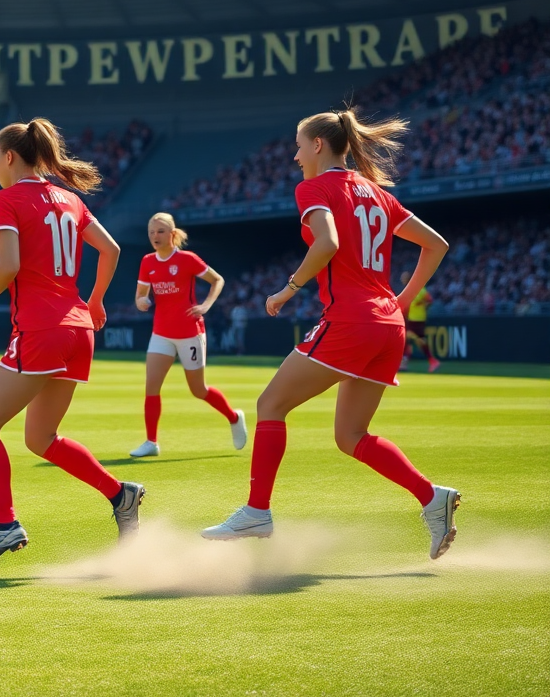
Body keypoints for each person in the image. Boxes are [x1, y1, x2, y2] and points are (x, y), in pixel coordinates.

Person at [202, 108, 460, 560]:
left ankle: (257, 511)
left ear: (318, 145)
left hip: (352, 321)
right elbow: (436, 244)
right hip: (388, 326)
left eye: (299, 144)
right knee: (351, 435)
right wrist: (401, 300)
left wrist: (287, 289)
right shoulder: (376, 193)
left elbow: (327, 244)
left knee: (270, 405)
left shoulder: (314, 188)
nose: (295, 154)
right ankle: (431, 497)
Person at [0, 117, 143, 569]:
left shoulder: (4, 199)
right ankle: (121, 495)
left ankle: (5, 523)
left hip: (41, 329)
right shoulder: (69, 200)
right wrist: (96, 301)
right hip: (78, 329)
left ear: (8, 157)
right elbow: (113, 249)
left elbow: (9, 265)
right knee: (42, 439)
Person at [130, 213, 247, 457]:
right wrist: (141, 301)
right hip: (161, 333)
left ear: (172, 234)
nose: (155, 236)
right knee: (151, 386)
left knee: (198, 390)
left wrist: (206, 306)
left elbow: (217, 280)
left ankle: (234, 417)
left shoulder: (187, 259)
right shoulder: (147, 261)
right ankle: (151, 442)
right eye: (151, 232)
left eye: (160, 231)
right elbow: (141, 293)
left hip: (189, 333)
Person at [399, 270, 440, 372]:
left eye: (403, 278)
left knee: (407, 338)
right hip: (412, 319)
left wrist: (423, 305)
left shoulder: (420, 290)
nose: (401, 280)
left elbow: (430, 300)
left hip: (417, 319)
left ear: (408, 279)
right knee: (414, 340)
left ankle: (406, 361)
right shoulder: (409, 290)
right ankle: (430, 360)